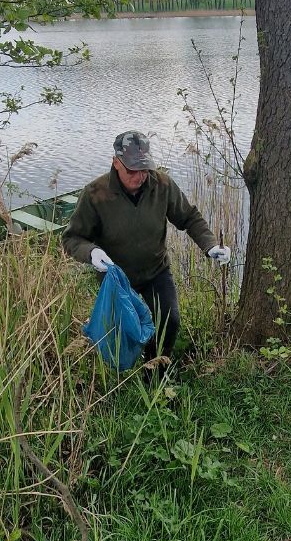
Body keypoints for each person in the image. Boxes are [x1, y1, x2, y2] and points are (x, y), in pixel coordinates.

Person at [62, 130, 231, 365]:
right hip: (117, 278)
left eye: (144, 168)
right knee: (119, 331)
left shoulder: (162, 185)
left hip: (155, 271)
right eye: (132, 170)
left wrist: (210, 245)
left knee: (169, 321)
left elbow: (189, 218)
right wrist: (92, 253)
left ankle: (155, 369)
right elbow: (72, 238)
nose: (139, 176)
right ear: (116, 163)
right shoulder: (95, 194)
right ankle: (120, 372)